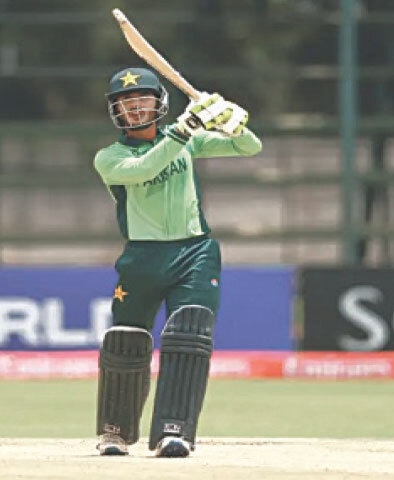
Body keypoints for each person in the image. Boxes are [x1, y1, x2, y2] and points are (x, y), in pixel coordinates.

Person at [93, 67, 262, 457]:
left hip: (194, 251)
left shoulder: (188, 140)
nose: (135, 110)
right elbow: (144, 169)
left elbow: (250, 148)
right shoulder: (109, 157)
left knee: (190, 334)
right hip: (142, 256)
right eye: (126, 104)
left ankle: (175, 431)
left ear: (159, 104)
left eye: (143, 102)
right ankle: (114, 432)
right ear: (115, 111)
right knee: (127, 341)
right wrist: (184, 129)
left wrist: (232, 121)